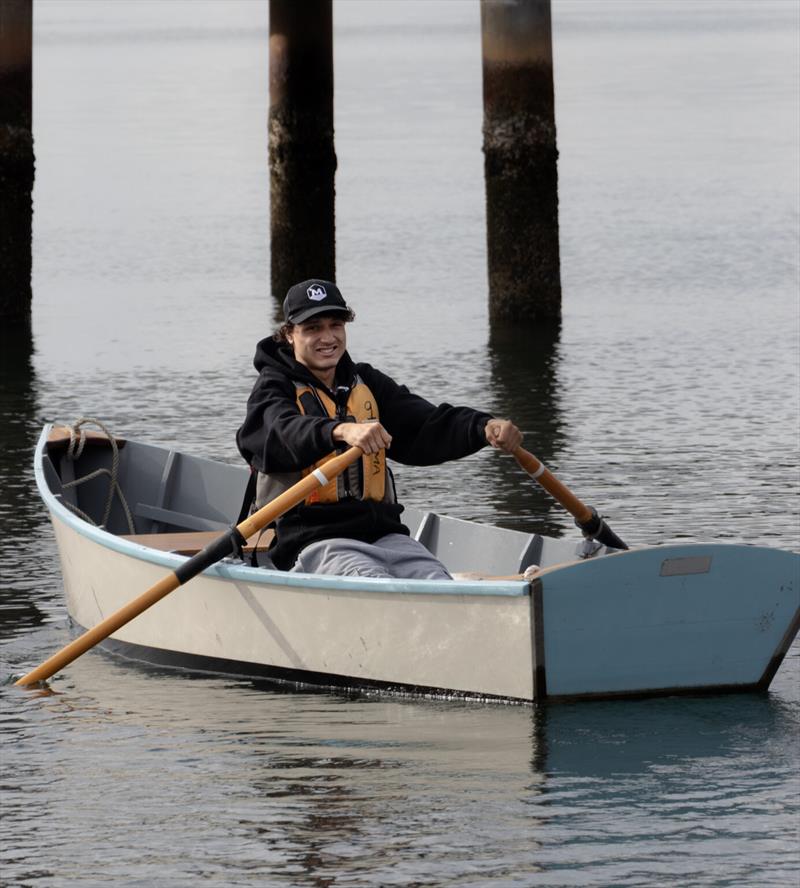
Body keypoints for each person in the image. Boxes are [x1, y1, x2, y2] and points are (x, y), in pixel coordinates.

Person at [236, 278, 522, 578]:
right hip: (312, 540)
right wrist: (340, 431)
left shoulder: (366, 381)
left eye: (336, 325)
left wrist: (484, 427)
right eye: (313, 328)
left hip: (385, 535)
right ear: (289, 335)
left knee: (437, 579)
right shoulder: (272, 388)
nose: (327, 337)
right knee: (372, 580)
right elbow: (278, 432)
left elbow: (425, 423)